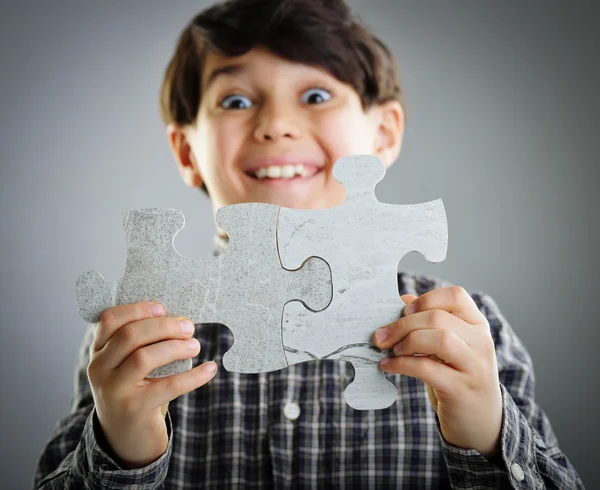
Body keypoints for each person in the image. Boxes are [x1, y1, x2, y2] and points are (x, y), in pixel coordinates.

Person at [34, 0, 584, 488]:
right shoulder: (137, 338)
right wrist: (120, 452)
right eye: (235, 101)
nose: (275, 124)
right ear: (186, 150)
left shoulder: (466, 333)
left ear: (384, 134)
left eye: (316, 94)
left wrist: (486, 435)